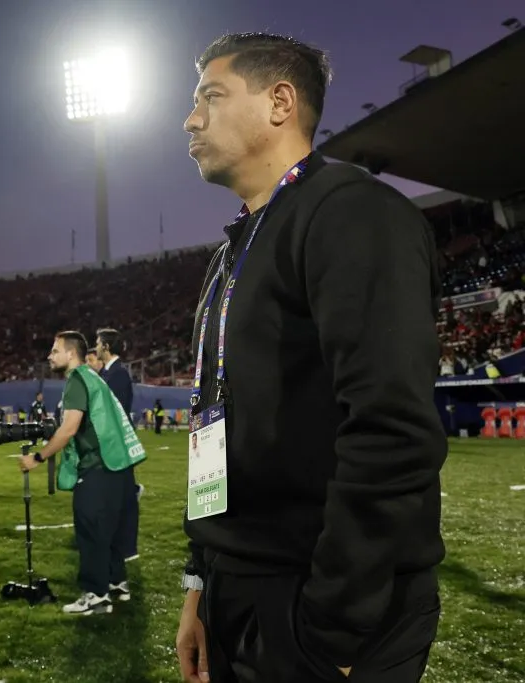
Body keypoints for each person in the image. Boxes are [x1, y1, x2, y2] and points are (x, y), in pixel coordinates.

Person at [175, 33, 446, 683]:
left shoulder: (352, 213)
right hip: (238, 586)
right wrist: (201, 582)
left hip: (324, 600)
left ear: (280, 102)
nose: (190, 119)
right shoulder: (231, 253)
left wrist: (335, 624)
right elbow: (216, 427)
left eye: (211, 96)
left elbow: (393, 428)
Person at [19, 331, 146, 616]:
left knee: (90, 532)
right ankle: (117, 583)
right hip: (116, 465)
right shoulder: (93, 377)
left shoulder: (77, 379)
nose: (50, 356)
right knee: (109, 530)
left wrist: (37, 458)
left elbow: (69, 429)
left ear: (71, 354)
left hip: (98, 467)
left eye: (54, 351)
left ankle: (96, 595)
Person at [96, 328, 141, 561]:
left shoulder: (119, 374)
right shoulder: (106, 373)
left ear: (106, 346)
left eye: (97, 342)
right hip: (110, 444)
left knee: (124, 499)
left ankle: (128, 548)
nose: (95, 347)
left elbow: (117, 412)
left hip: (118, 444)